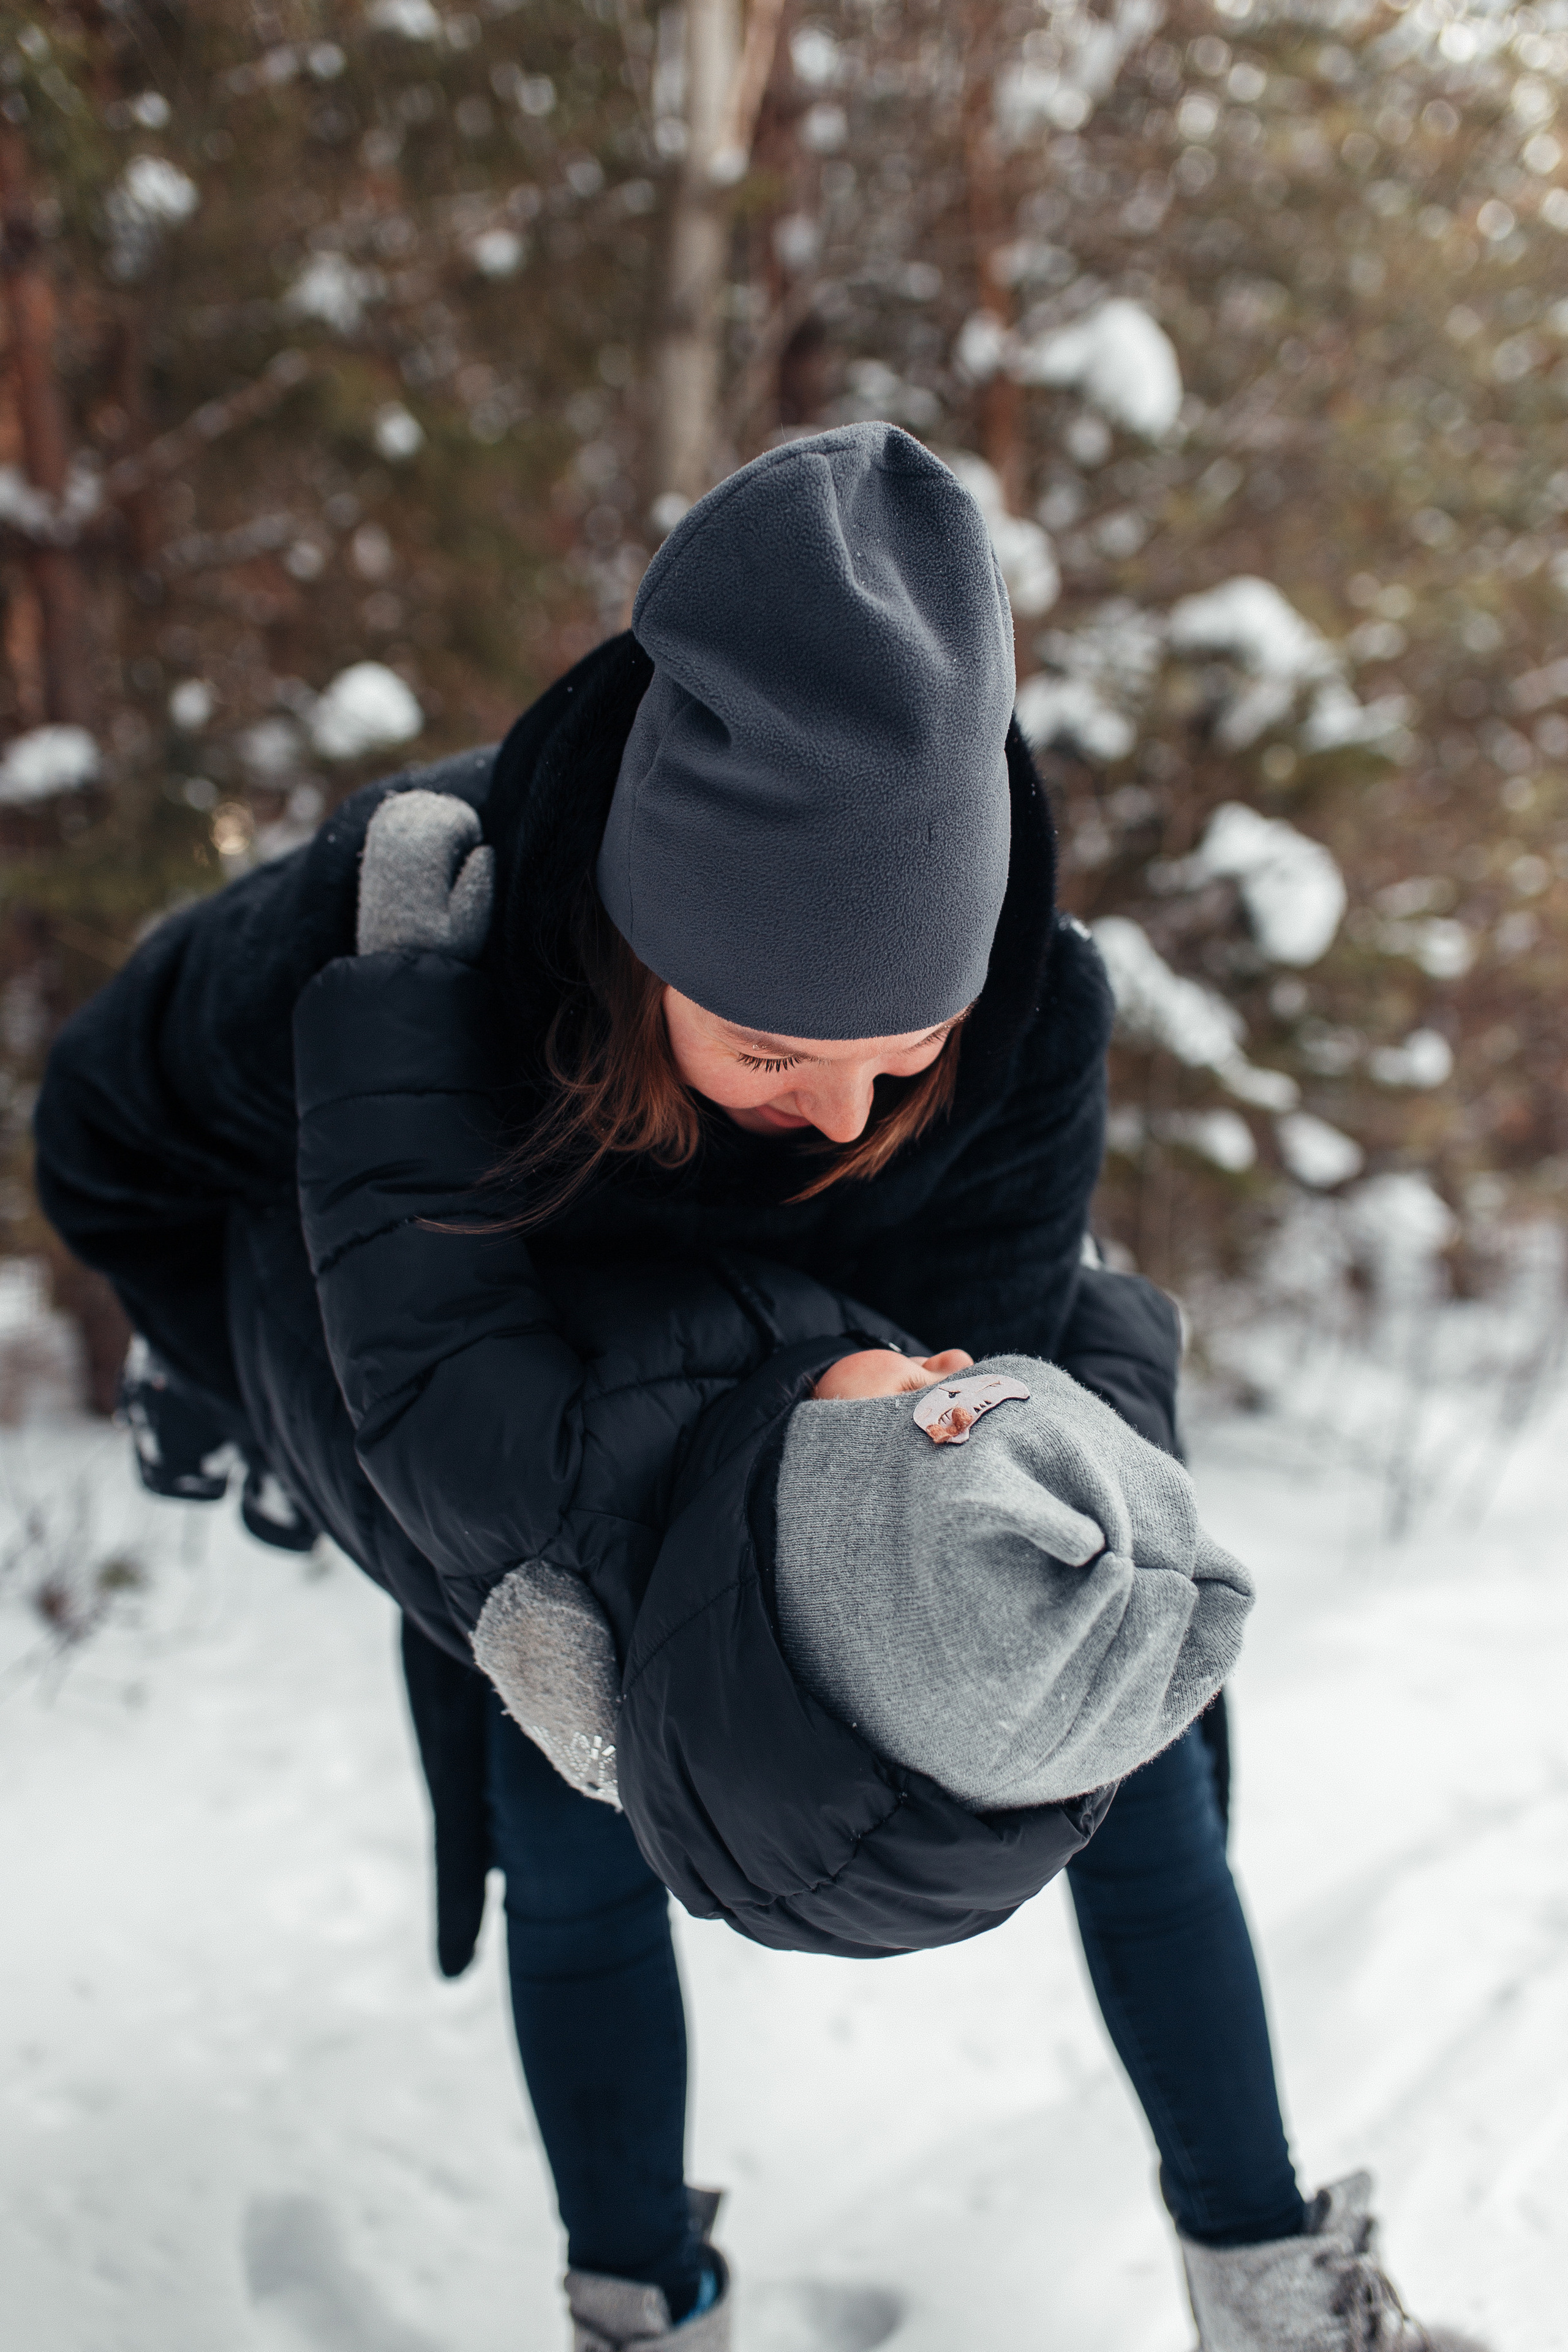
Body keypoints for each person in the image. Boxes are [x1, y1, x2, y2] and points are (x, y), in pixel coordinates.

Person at [35, 425, 1482, 2351]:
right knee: (567, 1797)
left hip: (814, 1439)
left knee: (1116, 1739)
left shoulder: (1030, 1018)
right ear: (644, 933)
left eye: (910, 1050)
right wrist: (228, 1377)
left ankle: (1270, 2275)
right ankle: (640, 2303)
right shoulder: (412, 933)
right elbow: (106, 1138)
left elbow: (1004, 1344)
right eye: (781, 1045)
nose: (848, 1112)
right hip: (499, 1416)